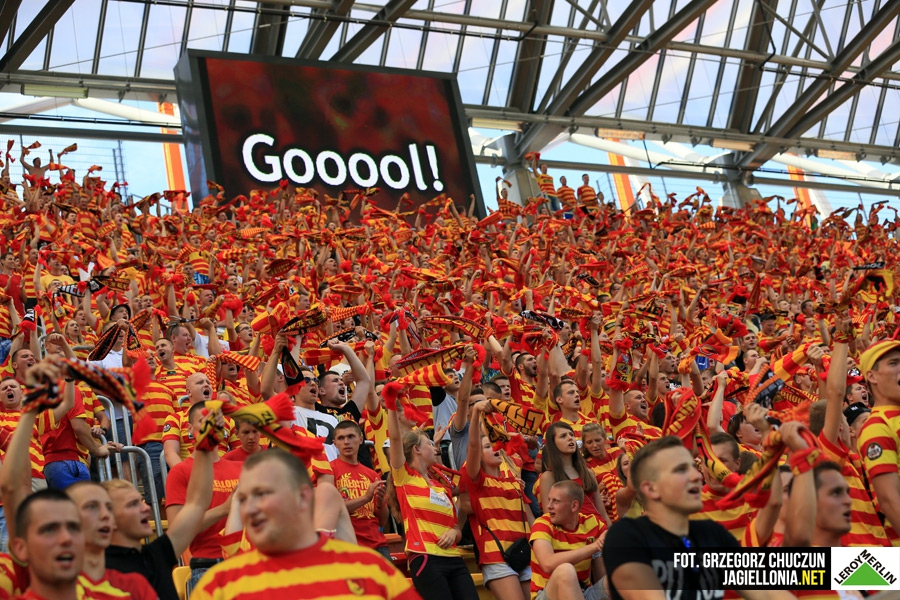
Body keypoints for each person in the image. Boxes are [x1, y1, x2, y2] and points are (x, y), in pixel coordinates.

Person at [191, 450, 420, 600]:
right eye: (243, 499)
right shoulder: (218, 585)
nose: (250, 508)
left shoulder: (372, 570)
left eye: (263, 494)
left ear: (302, 497)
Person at [603, 436, 789, 600]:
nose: (696, 476)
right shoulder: (627, 536)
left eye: (694, 467)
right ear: (651, 488)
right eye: (680, 470)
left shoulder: (712, 533)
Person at [386, 385, 479, 600]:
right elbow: (396, 439)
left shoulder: (442, 487)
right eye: (429, 443)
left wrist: (454, 534)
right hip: (425, 557)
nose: (434, 447)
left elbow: (455, 527)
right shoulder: (404, 478)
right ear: (417, 449)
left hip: (454, 558)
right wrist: (391, 405)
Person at [165, 401, 242, 595]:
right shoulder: (180, 472)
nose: (211, 427)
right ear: (190, 429)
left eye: (215, 421)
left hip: (245, 565)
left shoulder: (241, 467)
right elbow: (177, 531)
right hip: (208, 568)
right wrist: (225, 509)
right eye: (204, 421)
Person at [462, 400, 532, 600]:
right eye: (487, 446)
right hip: (496, 556)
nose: (495, 447)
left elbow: (531, 520)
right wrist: (476, 411)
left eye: (494, 444)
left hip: (524, 553)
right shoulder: (477, 482)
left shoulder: (515, 483)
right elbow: (473, 444)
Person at [529, 481, 605, 600]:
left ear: (574, 506)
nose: (549, 506)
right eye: (549, 500)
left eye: (556, 501)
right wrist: (594, 546)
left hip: (584, 593)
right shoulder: (542, 524)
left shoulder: (592, 523)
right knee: (566, 570)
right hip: (549, 595)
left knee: (623, 574)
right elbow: (547, 564)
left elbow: (614, 536)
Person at [330, 420, 389, 556]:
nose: (346, 442)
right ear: (335, 443)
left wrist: (380, 503)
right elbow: (331, 509)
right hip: (348, 545)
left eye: (351, 436)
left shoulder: (372, 474)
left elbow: (382, 521)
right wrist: (366, 498)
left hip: (378, 545)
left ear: (361, 439)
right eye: (341, 438)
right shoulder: (329, 470)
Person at [539, 422, 609, 526]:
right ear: (553, 444)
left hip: (598, 528)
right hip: (573, 532)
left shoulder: (588, 472)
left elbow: (603, 513)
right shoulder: (548, 477)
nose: (570, 438)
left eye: (571, 434)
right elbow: (549, 516)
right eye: (563, 436)